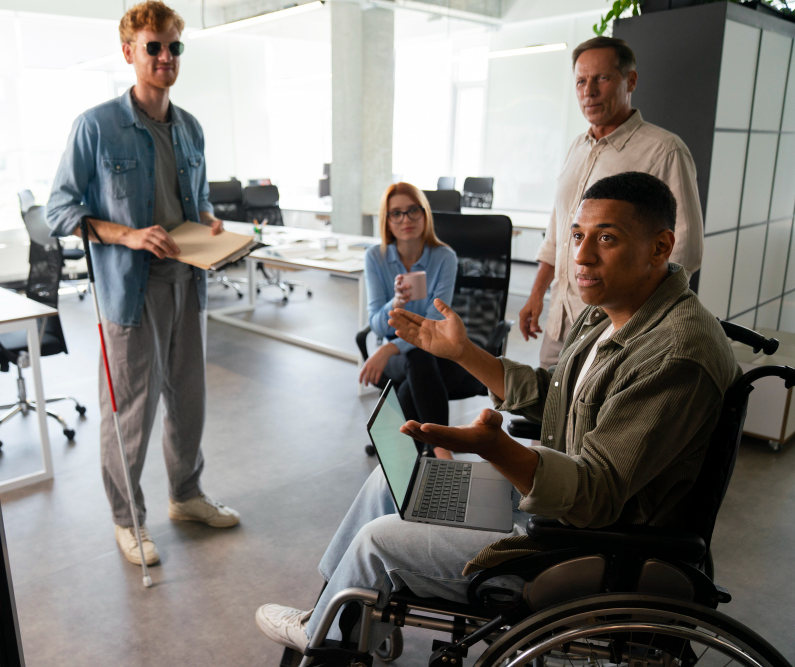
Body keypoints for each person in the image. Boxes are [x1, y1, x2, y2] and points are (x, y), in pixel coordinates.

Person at [255, 172, 738, 653]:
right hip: (556, 505)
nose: (583, 256)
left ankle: (328, 641)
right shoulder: (615, 312)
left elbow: (595, 496)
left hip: (589, 543)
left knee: (379, 539)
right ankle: (328, 615)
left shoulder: (675, 355)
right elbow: (560, 395)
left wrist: (499, 448)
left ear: (660, 248)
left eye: (606, 239)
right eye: (577, 236)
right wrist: (464, 353)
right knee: (393, 483)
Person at [46, 0, 239, 568]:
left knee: (189, 403)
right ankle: (127, 520)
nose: (164, 56)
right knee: (130, 411)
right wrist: (125, 235)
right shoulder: (96, 126)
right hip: (130, 294)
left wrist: (209, 223)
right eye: (152, 46)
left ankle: (186, 495)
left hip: (188, 284)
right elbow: (58, 210)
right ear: (129, 52)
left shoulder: (191, 128)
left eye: (173, 46)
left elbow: (195, 202)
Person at [520, 36, 703, 369]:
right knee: (546, 413)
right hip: (561, 319)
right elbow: (558, 232)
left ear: (630, 80)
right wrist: (537, 295)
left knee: (595, 419)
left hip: (613, 327)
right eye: (580, 81)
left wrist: (632, 322)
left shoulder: (663, 150)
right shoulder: (577, 146)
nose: (588, 91)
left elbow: (685, 251)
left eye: (601, 78)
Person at [361, 183, 474, 460]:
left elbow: (436, 319)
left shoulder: (444, 257)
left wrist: (390, 347)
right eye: (395, 213)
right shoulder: (376, 256)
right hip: (407, 358)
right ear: (386, 221)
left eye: (413, 211)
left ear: (425, 214)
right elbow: (377, 324)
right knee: (419, 361)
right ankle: (441, 451)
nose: (406, 220)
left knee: (416, 379)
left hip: (440, 351)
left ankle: (407, 451)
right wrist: (397, 302)